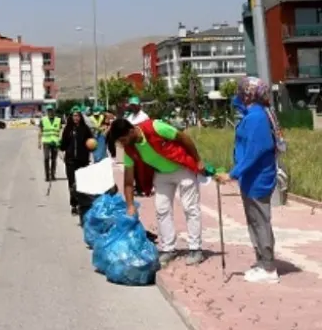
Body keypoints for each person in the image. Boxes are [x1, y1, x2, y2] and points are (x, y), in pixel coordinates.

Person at [108, 117, 206, 267]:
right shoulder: (125, 148)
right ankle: (168, 249)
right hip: (161, 174)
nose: (122, 144)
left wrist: (198, 160)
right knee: (162, 210)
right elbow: (128, 181)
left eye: (123, 139)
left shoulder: (155, 127)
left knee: (190, 207)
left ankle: (195, 248)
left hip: (182, 168)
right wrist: (130, 205)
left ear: (131, 131)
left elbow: (183, 137)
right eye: (119, 142)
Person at [215, 77, 280, 284]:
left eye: (241, 91)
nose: (238, 94)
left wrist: (233, 174)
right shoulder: (251, 114)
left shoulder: (256, 118)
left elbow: (254, 152)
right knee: (254, 221)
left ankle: (269, 268)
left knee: (260, 222)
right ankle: (261, 261)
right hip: (250, 178)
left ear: (249, 94)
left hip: (257, 179)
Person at [60, 107, 94, 216]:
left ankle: (82, 204)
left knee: (82, 183)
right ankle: (74, 205)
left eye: (78, 115)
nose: (76, 118)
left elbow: (91, 142)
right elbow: (63, 145)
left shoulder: (85, 129)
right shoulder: (67, 129)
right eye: (74, 116)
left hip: (83, 160)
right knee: (72, 183)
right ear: (71, 117)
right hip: (70, 160)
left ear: (81, 117)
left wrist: (91, 147)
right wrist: (60, 145)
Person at [38, 104, 61, 182]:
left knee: (54, 159)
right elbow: (40, 131)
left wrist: (60, 141)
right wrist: (39, 142)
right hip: (46, 142)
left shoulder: (58, 120)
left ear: (53, 110)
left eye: (51, 110)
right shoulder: (43, 120)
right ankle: (47, 176)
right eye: (48, 110)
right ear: (46, 111)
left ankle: (53, 175)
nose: (50, 112)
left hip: (55, 142)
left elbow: (60, 131)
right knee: (46, 158)